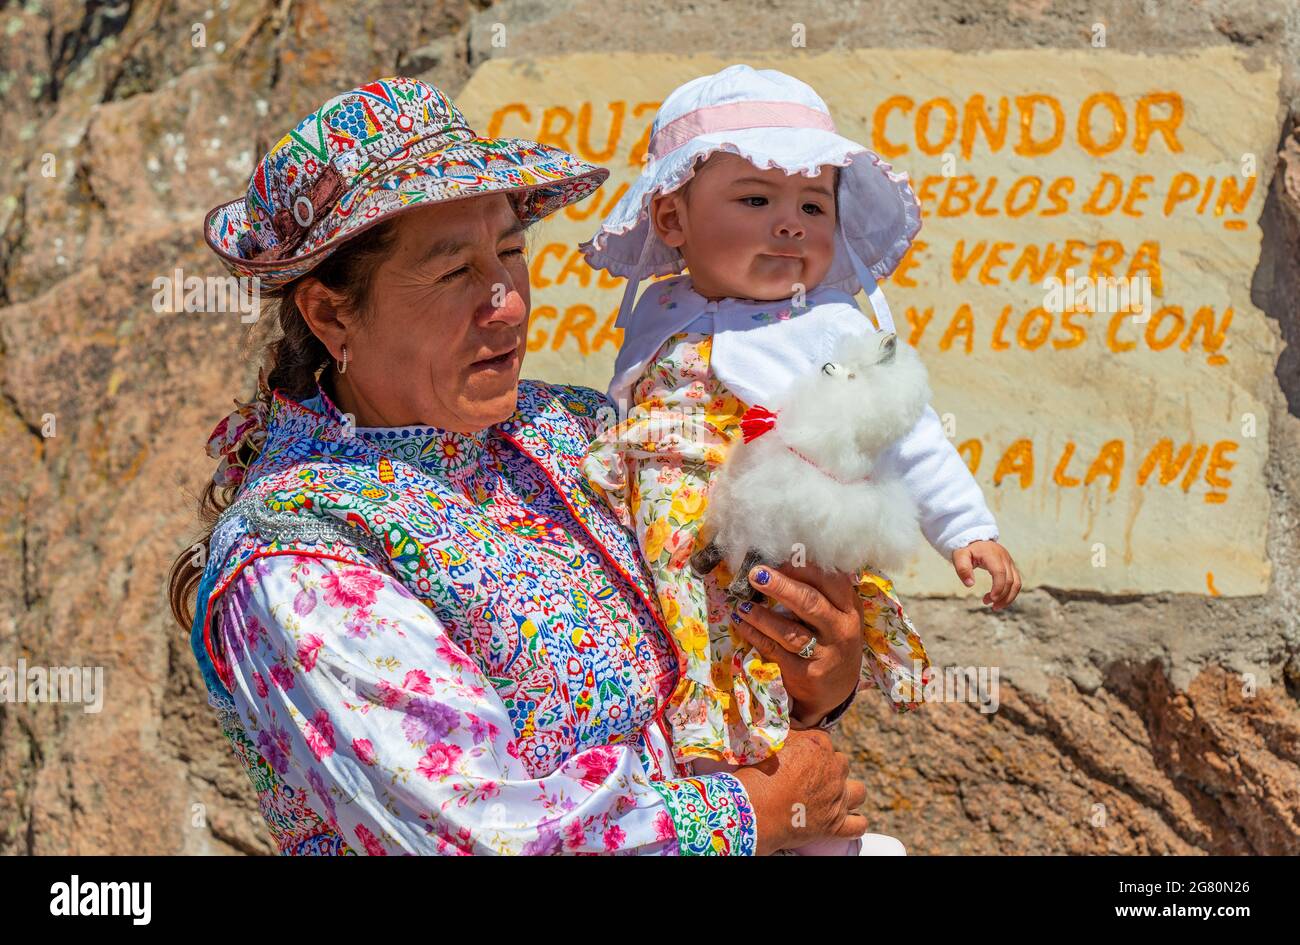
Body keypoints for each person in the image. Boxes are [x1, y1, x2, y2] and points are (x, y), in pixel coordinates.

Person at [168, 75, 880, 855]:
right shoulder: (297, 555)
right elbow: (469, 833)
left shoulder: (572, 431)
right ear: (332, 312)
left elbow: (715, 637)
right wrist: (745, 813)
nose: (506, 300)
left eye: (510, 250)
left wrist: (817, 676)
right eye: (452, 272)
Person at [579, 65, 1023, 852]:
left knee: (764, 697)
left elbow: (907, 427)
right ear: (671, 217)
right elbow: (628, 408)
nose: (792, 225)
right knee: (685, 704)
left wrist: (966, 527)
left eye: (813, 206)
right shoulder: (658, 310)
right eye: (755, 200)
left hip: (758, 551)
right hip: (663, 559)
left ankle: (818, 834)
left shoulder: (827, 327)